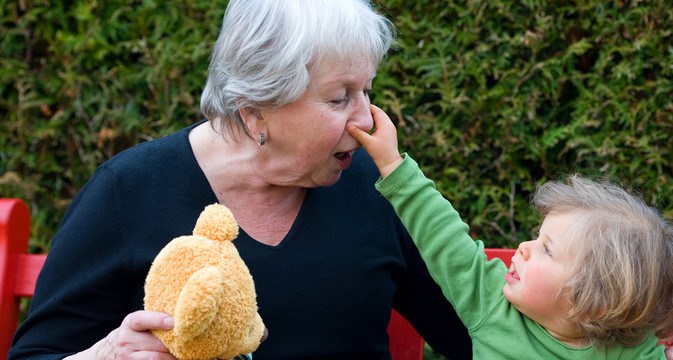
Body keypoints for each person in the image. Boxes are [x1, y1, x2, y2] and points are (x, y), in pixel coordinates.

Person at [7, 1, 474, 359]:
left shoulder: (377, 190)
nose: (367, 120)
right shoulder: (125, 193)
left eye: (366, 90)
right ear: (255, 110)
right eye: (339, 98)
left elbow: (476, 337)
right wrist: (105, 355)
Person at [349, 105, 673, 358]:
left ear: (595, 304)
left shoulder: (631, 351)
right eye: (537, 237)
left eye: (547, 249)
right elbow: (444, 237)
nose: (523, 248)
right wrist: (393, 164)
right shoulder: (489, 301)